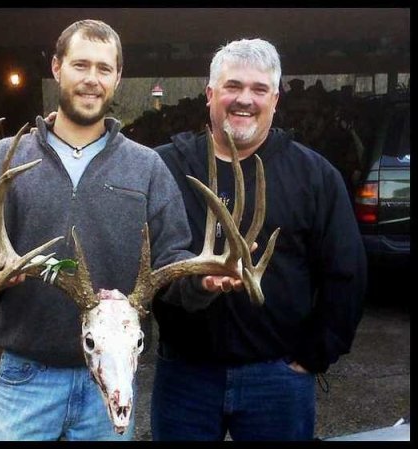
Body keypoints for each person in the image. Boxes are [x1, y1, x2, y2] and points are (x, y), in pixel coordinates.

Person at [0, 19, 226, 441]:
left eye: (103, 68)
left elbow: (173, 259)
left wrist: (201, 280)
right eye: (80, 65)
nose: (91, 79)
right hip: (27, 376)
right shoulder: (6, 156)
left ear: (117, 78)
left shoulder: (147, 167)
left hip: (113, 378)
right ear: (57, 68)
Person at [151, 38, 367, 441]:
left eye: (259, 89)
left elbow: (346, 270)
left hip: (277, 377)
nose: (244, 99)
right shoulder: (163, 167)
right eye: (232, 86)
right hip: (185, 376)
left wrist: (315, 355)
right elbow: (140, 258)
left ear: (276, 99)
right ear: (210, 93)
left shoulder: (313, 175)